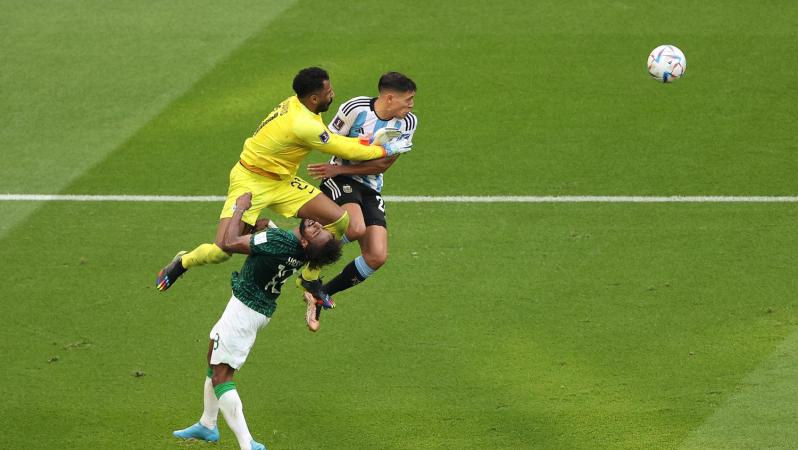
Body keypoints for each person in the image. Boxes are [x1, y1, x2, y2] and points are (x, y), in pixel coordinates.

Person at [156, 67, 410, 292]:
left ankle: (309, 276)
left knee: (342, 222)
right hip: (250, 181)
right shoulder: (303, 124)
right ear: (314, 98)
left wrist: (374, 146)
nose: (333, 95)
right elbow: (343, 148)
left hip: (283, 181)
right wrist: (385, 149)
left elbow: (340, 141)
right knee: (223, 249)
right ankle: (184, 261)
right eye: (328, 92)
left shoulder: (299, 105)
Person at [172, 192, 342, 450]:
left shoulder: (279, 241)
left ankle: (248, 444)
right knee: (213, 355)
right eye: (321, 227)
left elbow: (228, 242)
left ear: (306, 243)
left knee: (221, 377)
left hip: (244, 311)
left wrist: (239, 208)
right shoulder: (300, 251)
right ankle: (207, 424)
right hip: (258, 310)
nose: (316, 224)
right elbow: (278, 245)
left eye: (317, 231)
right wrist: (268, 227)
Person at [307, 72, 417, 298]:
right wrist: (342, 166)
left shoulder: (408, 122)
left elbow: (383, 165)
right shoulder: (355, 109)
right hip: (339, 180)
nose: (411, 105)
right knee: (355, 228)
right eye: (408, 99)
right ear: (389, 98)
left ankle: (320, 295)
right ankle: (305, 261)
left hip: (368, 185)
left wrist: (343, 167)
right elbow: (328, 141)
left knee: (377, 256)